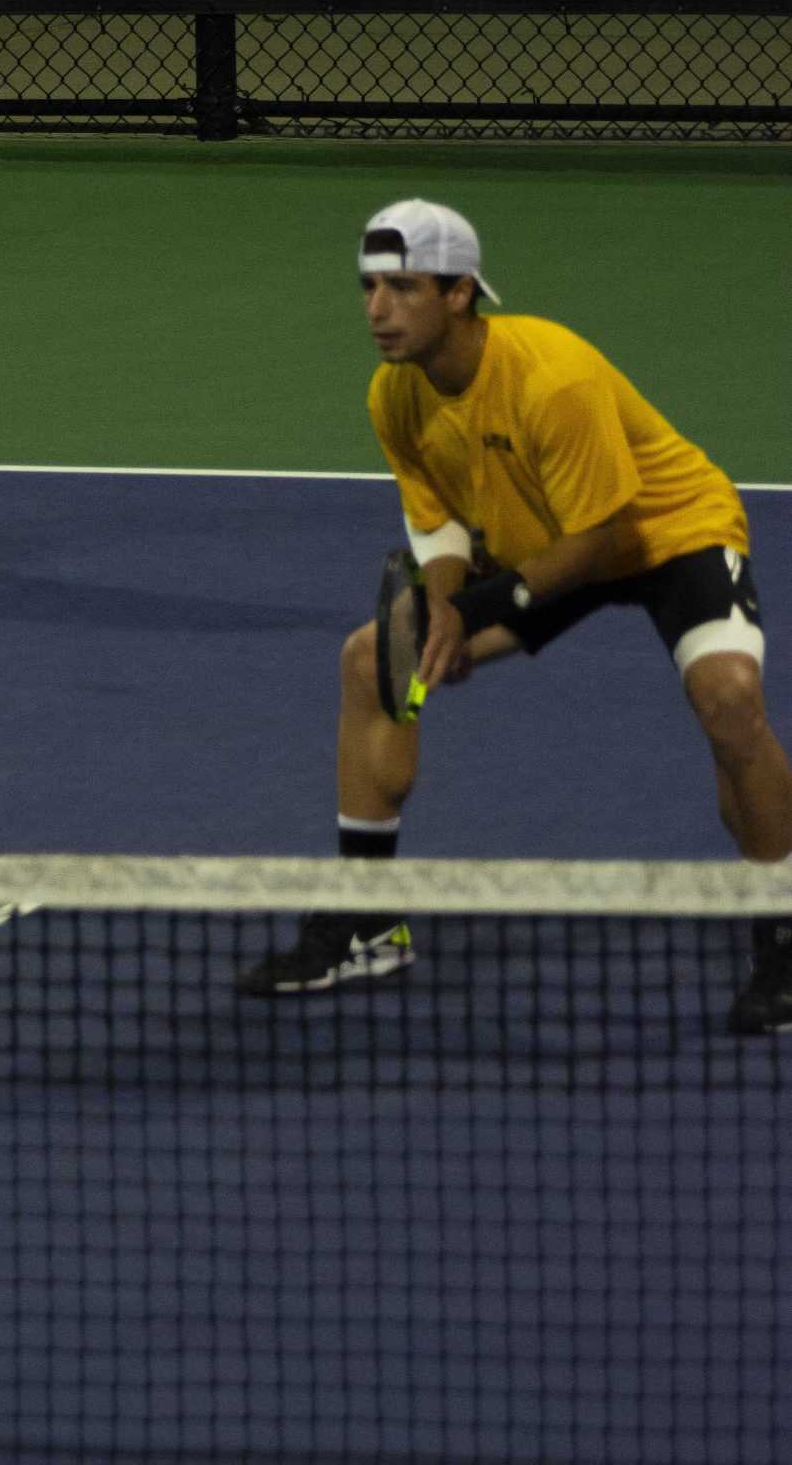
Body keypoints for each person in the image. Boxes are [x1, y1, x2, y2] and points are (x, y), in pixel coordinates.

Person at [239, 197, 792, 1035]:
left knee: (727, 697)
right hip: (541, 545)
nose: (376, 311)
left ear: (459, 293)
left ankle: (781, 928)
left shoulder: (550, 376)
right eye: (368, 289)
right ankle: (366, 914)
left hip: (663, 533)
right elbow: (439, 524)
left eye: (402, 288)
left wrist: (473, 609)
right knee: (372, 660)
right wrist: (440, 608)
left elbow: (603, 541)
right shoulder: (395, 395)